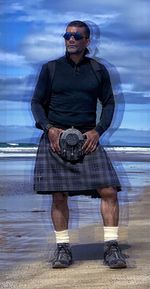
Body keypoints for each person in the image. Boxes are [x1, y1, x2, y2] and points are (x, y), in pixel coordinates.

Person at [31, 20, 127, 269]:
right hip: (55, 139)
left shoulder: (97, 70)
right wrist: (48, 128)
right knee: (59, 194)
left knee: (108, 190)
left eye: (76, 36)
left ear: (87, 41)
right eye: (67, 35)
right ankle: (62, 249)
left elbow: (108, 103)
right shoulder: (50, 69)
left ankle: (112, 248)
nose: (70, 39)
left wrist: (98, 130)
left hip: (87, 139)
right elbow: (36, 103)